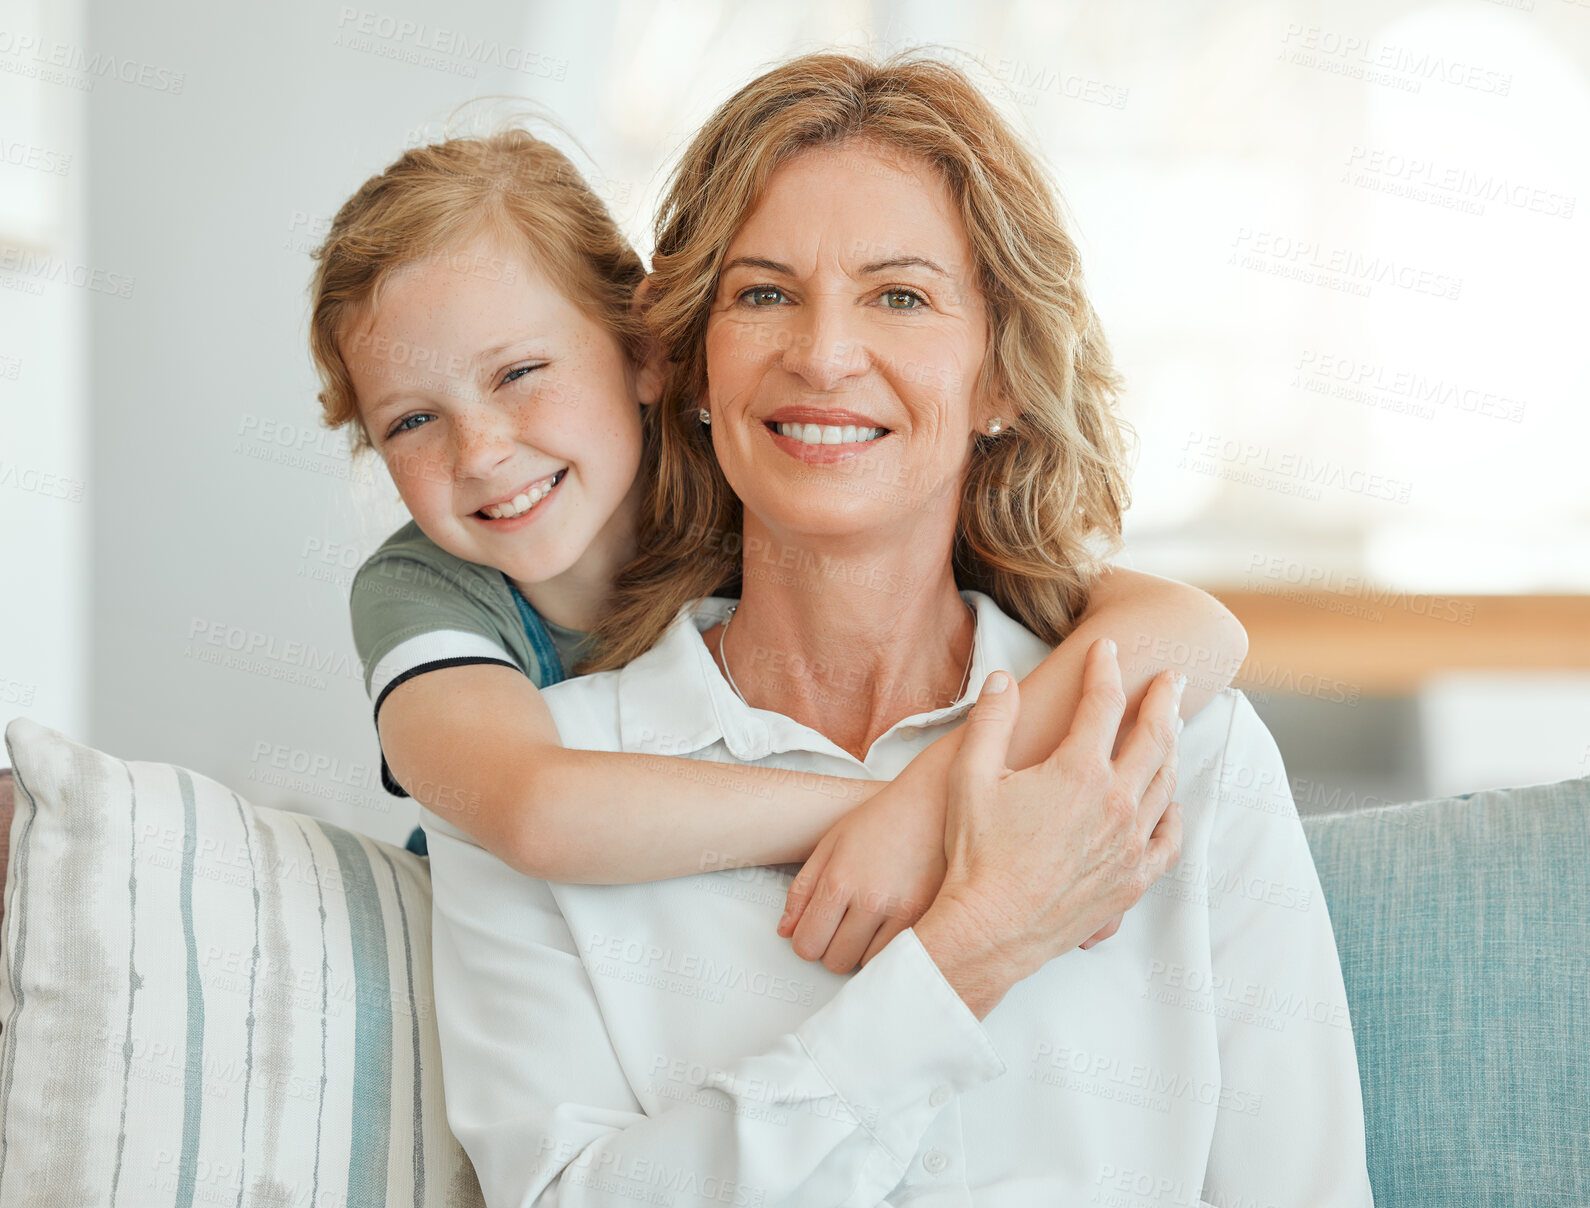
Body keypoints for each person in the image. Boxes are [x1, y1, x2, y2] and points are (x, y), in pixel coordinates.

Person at [420, 52, 1373, 1205]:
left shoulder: (1191, 755)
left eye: (902, 295)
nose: (822, 354)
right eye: (763, 292)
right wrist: (966, 955)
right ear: (693, 370)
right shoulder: (534, 809)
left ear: (1000, 378)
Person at [306, 130, 1248, 969]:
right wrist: (909, 810)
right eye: (413, 421)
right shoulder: (421, 588)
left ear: (648, 350)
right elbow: (537, 812)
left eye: (520, 374)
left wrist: (918, 812)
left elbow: (1192, 628)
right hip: (526, 972)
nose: (481, 453)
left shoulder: (775, 483)